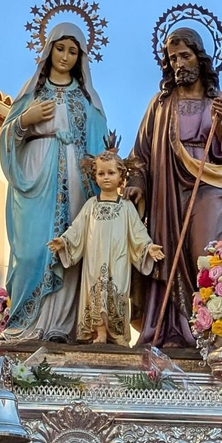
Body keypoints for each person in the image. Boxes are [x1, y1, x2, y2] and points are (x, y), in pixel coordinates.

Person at [129, 27, 222, 348]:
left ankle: (205, 331)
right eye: (172, 58)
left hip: (209, 186)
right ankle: (167, 330)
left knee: (204, 256)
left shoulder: (218, 100)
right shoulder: (160, 104)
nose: (179, 63)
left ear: (199, 57)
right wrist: (137, 186)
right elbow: (140, 154)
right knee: (166, 253)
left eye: (185, 55)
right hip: (166, 189)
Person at [0, 23, 109, 341]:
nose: (65, 56)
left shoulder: (89, 100)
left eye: (73, 51)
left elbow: (102, 148)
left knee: (71, 248)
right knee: (32, 252)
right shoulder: (32, 91)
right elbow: (7, 136)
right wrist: (25, 120)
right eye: (60, 48)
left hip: (76, 176)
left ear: (81, 58)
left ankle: (62, 328)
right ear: (48, 50)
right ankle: (25, 325)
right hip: (36, 174)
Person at [47, 134, 165, 344]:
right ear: (95, 177)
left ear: (122, 176)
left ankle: (117, 334)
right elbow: (77, 228)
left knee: (117, 292)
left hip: (119, 258)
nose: (106, 177)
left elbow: (137, 232)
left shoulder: (126, 206)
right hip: (94, 258)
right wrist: (64, 241)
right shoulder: (92, 204)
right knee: (96, 293)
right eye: (101, 173)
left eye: (111, 172)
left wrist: (148, 248)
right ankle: (99, 332)